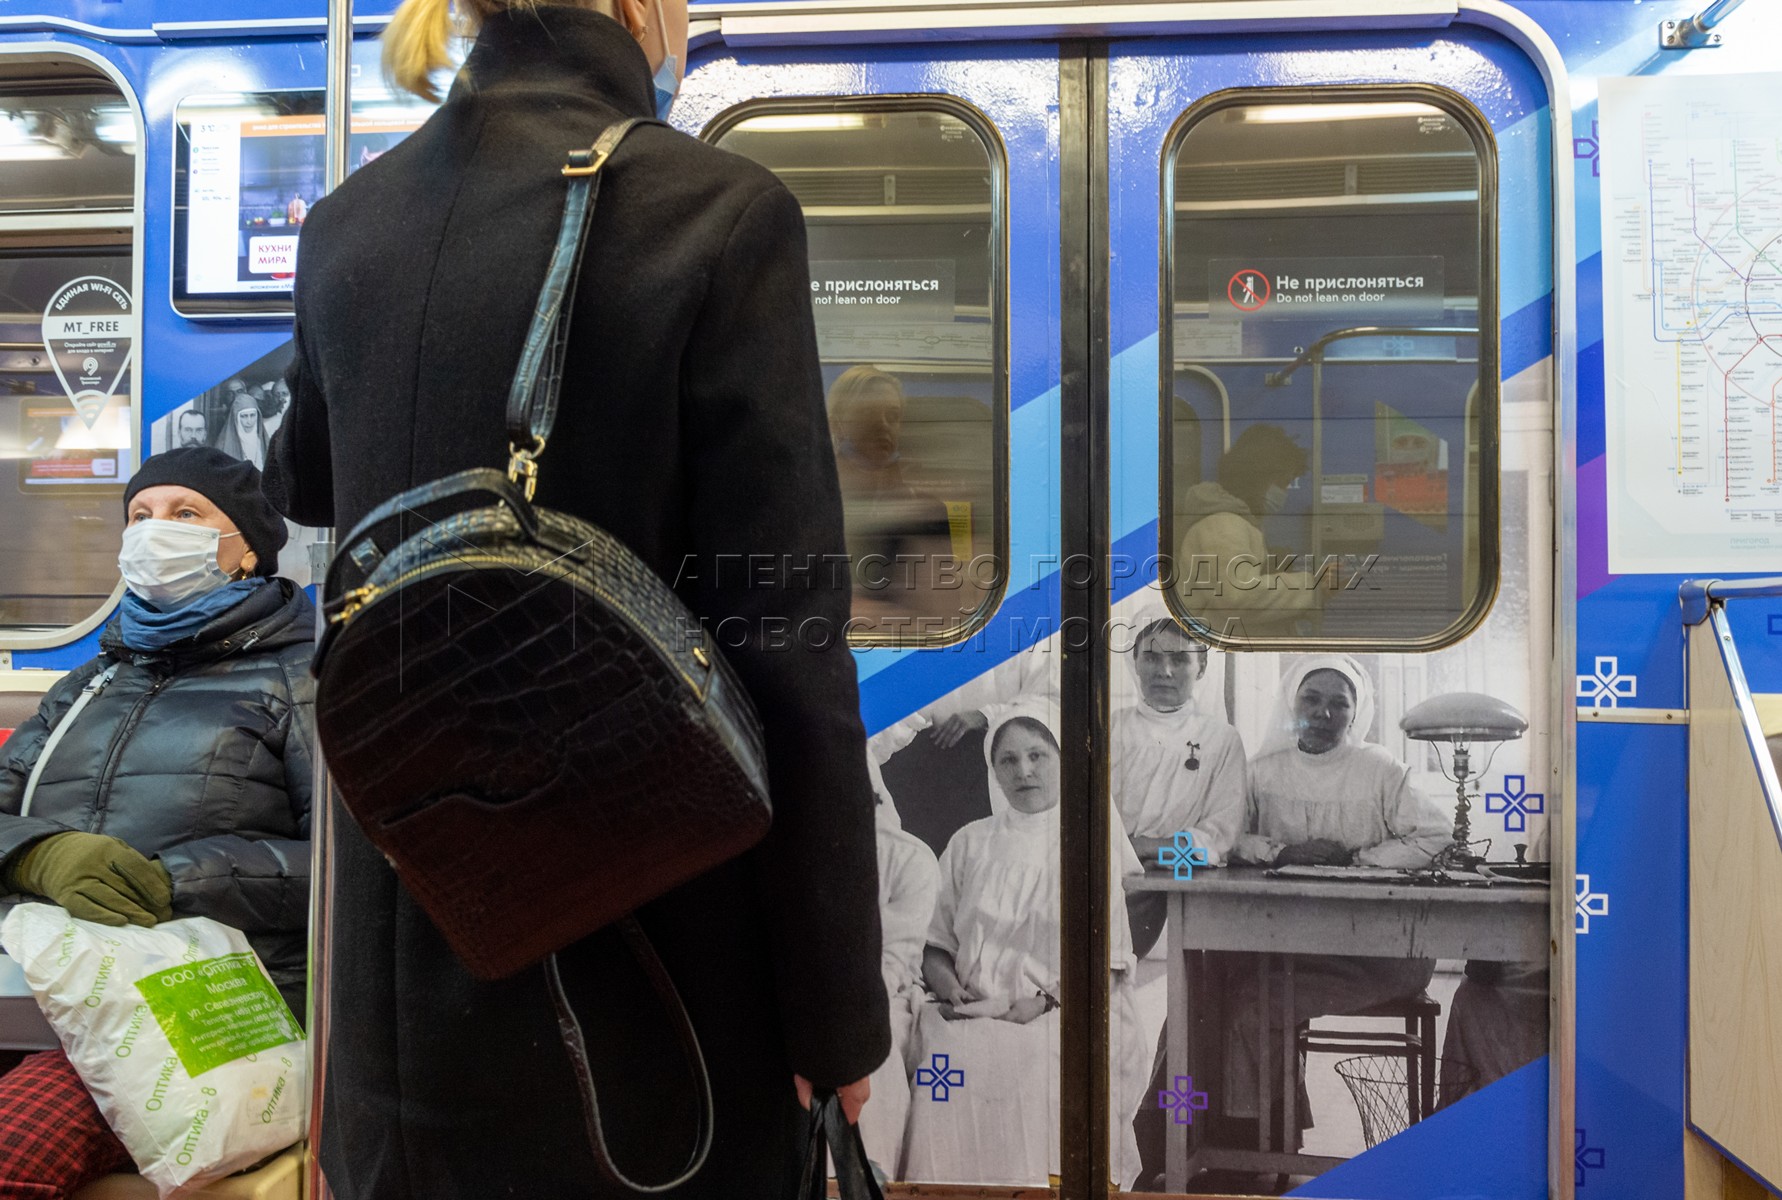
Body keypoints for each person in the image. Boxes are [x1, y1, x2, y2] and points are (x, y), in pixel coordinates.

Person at [259, 1, 890, 1196]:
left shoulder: (347, 223)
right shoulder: (716, 213)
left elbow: (306, 483)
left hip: (405, 992)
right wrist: (834, 1013)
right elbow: (789, 643)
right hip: (654, 1012)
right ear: (643, 8)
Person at [0, 447, 312, 1196]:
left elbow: (349, 869)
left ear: (246, 548)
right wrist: (37, 855)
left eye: (185, 513)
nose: (153, 530)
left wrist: (177, 880)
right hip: (38, 984)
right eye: (139, 514)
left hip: (197, 1001)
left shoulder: (301, 678)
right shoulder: (90, 682)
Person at [901, 707, 1150, 1188]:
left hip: (1064, 1009)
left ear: (1064, 761)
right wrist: (951, 990)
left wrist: (1041, 1002)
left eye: (1038, 756)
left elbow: (1109, 962)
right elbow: (934, 944)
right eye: (1009, 761)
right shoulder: (969, 842)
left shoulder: (1088, 841)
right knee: (945, 1064)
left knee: (1033, 1064)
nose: (1024, 771)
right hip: (971, 1011)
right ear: (994, 772)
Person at [1222, 655, 1451, 1141]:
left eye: (1339, 704)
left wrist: (1361, 859)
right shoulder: (1261, 772)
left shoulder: (1380, 769)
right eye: (1311, 699)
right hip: (1295, 946)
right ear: (1292, 703)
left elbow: (1436, 835)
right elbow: (1226, 836)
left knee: (1254, 1003)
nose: (1324, 713)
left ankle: (1258, 1142)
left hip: (1383, 953)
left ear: (1356, 710)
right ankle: (1258, 1137)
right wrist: (1282, 851)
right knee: (1227, 990)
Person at [1175, 423, 1340, 640]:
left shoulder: (1236, 522)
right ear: (1257, 477)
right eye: (1282, 483)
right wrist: (1310, 587)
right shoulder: (1222, 525)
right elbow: (1239, 597)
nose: (1283, 493)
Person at [858, 752, 940, 1179]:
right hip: (798, 998)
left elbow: (895, 957)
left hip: (879, 997)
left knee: (872, 1049)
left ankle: (869, 1176)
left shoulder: (910, 859)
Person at [825, 365, 956, 629]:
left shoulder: (926, 511)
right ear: (838, 424)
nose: (883, 425)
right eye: (868, 414)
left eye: (893, 416)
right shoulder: (816, 504)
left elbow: (942, 615)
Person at [213, 391, 266, 470]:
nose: (249, 421)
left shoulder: (264, 442)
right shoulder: (222, 445)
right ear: (236, 418)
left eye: (252, 415)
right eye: (244, 416)